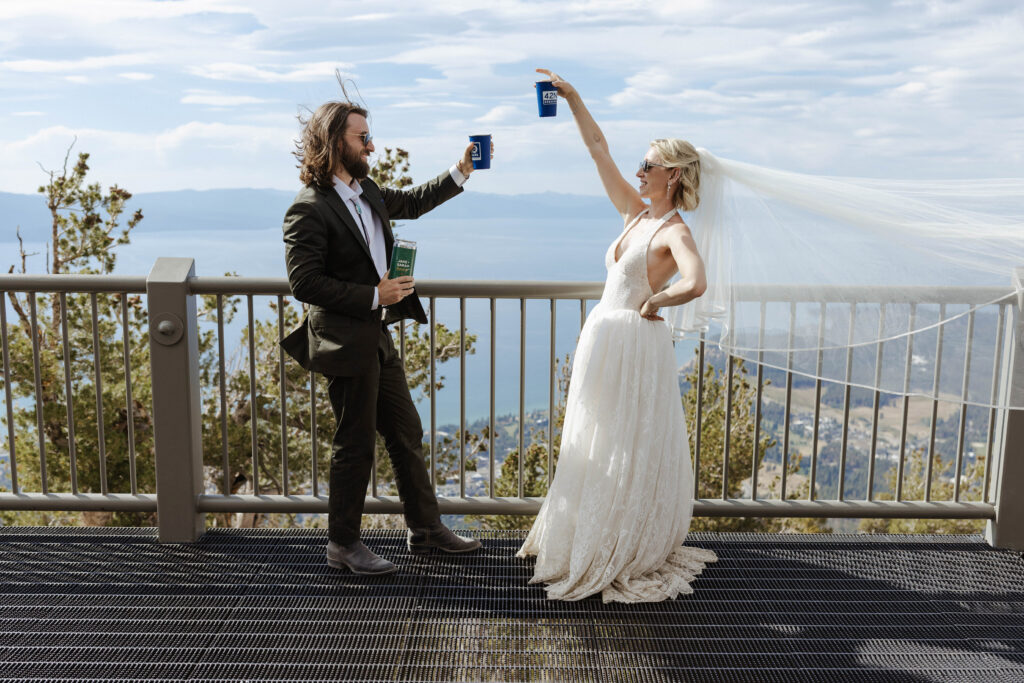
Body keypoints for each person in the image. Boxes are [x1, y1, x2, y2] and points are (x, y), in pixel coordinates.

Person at [517, 69, 718, 603]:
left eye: (648, 164)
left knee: (626, 441)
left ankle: (619, 541)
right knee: (596, 438)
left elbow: (697, 282)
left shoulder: (674, 230)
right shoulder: (634, 213)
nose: (638, 169)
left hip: (633, 345)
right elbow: (597, 149)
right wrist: (574, 98)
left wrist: (658, 300)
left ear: (672, 173)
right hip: (604, 341)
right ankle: (587, 526)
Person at [281, 99, 483, 575]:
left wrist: (461, 170)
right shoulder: (307, 209)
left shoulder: (365, 189)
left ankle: (427, 529)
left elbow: (411, 203)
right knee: (354, 444)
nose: (372, 145)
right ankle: (343, 544)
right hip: (344, 342)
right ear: (335, 144)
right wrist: (374, 295)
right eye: (362, 137)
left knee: (404, 430)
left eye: (369, 136)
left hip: (375, 338)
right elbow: (304, 284)